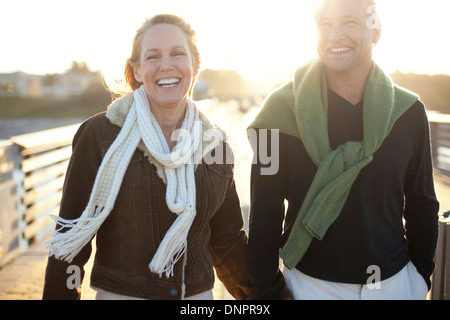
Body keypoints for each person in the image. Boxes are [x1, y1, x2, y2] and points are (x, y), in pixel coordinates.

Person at [43, 14, 249, 300]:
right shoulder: (100, 135)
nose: (166, 65)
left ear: (195, 67)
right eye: (153, 57)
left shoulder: (215, 144)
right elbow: (71, 243)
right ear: (137, 70)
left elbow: (227, 242)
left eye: (177, 53)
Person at [247, 0, 439, 300]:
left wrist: (419, 279)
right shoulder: (277, 113)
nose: (335, 35)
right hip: (311, 286)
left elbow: (422, 203)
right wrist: (266, 292)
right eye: (325, 25)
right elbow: (264, 211)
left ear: (375, 31)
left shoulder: (409, 111)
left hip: (394, 284)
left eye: (349, 22)